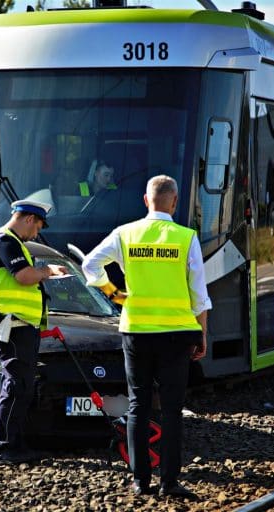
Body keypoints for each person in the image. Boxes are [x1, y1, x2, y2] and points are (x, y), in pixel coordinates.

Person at [81, 175, 211, 499]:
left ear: (145, 200)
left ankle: (140, 482)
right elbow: (199, 295)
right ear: (175, 202)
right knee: (171, 409)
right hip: (178, 334)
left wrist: (112, 292)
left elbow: (89, 264)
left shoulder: (125, 234)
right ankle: (169, 482)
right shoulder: (185, 238)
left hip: (136, 331)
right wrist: (202, 334)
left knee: (138, 405)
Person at [0, 199, 68, 465]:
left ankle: (14, 444)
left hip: (20, 326)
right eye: (38, 225)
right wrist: (46, 271)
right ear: (29, 219)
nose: (37, 233)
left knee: (22, 386)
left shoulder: (14, 244)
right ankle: (1, 448)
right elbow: (23, 276)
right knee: (16, 385)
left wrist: (46, 272)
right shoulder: (5, 241)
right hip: (12, 325)